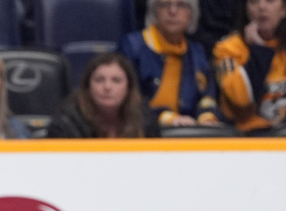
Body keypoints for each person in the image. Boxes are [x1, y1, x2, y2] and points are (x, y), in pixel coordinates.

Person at [118, 0, 222, 129]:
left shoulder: (197, 51)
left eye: (181, 5)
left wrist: (207, 117)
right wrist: (166, 118)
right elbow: (127, 100)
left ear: (191, 14)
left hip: (189, 131)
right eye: (165, 4)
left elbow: (207, 95)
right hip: (143, 131)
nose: (173, 12)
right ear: (155, 11)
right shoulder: (133, 46)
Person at [212, 0, 286, 133]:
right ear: (246, 10)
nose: (262, 7)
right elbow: (240, 100)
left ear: (284, 9)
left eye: (270, 1)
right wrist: (258, 50)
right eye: (253, 2)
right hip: (247, 139)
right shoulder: (228, 48)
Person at [46, 52, 159, 138]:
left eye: (116, 80)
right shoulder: (67, 121)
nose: (107, 87)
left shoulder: (145, 119)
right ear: (88, 86)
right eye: (99, 80)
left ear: (128, 87)